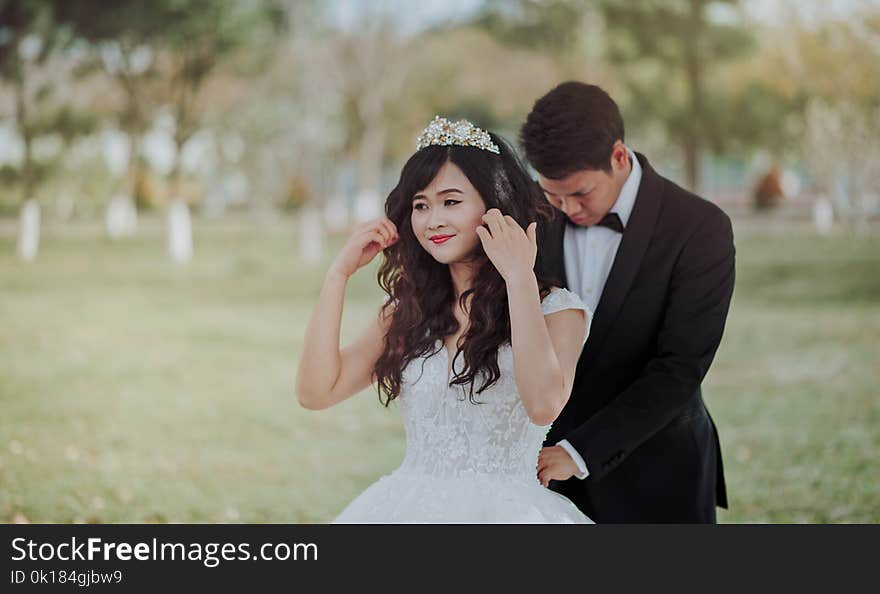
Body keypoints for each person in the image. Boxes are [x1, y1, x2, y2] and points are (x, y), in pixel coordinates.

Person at [295, 116, 593, 523]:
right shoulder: (409, 313)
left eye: (451, 201)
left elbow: (543, 405)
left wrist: (519, 277)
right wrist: (338, 275)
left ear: (494, 205)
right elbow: (316, 392)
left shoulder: (557, 310)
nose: (433, 219)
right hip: (405, 509)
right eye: (421, 205)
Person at [522, 82, 735, 523]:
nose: (565, 209)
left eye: (580, 194)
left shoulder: (700, 228)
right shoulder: (532, 216)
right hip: (544, 478)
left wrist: (579, 451)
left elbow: (679, 368)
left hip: (659, 469)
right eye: (552, 195)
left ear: (619, 157)